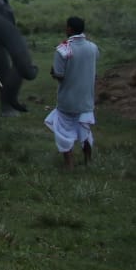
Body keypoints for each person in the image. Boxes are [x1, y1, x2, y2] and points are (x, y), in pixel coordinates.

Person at [44, 17, 99, 170]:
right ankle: (88, 160)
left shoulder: (63, 49)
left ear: (69, 29)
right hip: (86, 100)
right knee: (85, 130)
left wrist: (53, 73)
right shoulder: (93, 47)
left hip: (67, 100)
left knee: (63, 132)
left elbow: (60, 75)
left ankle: (69, 164)